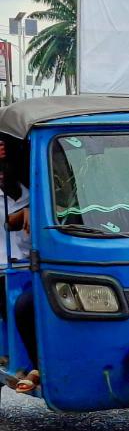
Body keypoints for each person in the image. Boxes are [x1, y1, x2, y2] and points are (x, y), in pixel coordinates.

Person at [0, 147, 38, 393]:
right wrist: (21, 214)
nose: (2, 175)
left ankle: (36, 366)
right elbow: (7, 222)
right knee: (18, 307)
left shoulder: (34, 194)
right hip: (3, 270)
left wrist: (30, 209)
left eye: (5, 167)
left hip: (34, 269)